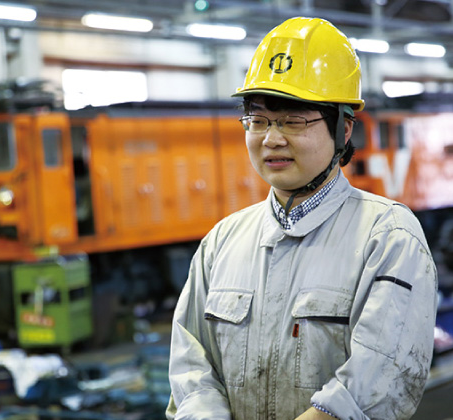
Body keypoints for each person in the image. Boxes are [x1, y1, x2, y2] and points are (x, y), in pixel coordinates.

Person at [167, 17, 438, 420]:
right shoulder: (222, 241)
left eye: (294, 120)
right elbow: (192, 370)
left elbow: (380, 380)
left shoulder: (388, 237)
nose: (271, 139)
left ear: (344, 130)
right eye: (257, 121)